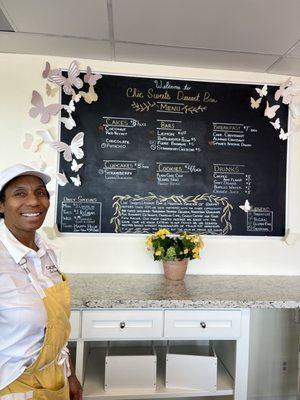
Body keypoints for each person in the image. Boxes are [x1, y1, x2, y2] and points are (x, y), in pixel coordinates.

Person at [0, 164, 82, 400]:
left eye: (40, 193)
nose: (34, 201)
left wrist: (70, 375)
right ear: (1, 205)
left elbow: (57, 327)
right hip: (12, 386)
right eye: (20, 193)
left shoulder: (47, 253)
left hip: (55, 381)